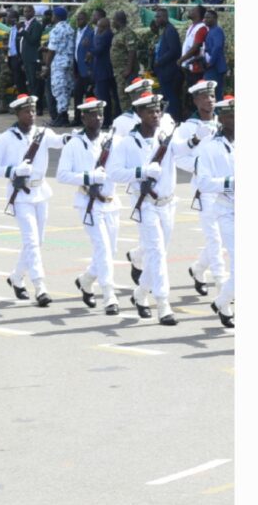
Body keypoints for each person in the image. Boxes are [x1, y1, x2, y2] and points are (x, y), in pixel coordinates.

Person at [0, 94, 62, 306]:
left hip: (41, 192)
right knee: (31, 241)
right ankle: (40, 286)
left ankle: (16, 278)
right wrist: (13, 170)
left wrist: (73, 138)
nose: (32, 114)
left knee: (38, 241)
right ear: (17, 113)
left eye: (34, 110)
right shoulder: (6, 138)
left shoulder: (42, 133)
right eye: (27, 111)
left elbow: (58, 142)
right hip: (21, 196)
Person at [108, 92, 179, 324]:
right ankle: (163, 303)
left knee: (158, 254)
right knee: (157, 252)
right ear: (139, 113)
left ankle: (140, 294)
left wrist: (197, 141)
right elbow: (114, 173)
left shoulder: (166, 137)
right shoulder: (127, 142)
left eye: (158, 110)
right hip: (146, 204)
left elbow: (186, 151)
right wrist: (141, 173)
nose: (156, 114)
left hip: (168, 203)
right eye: (150, 111)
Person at [56, 98, 120, 314]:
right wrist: (88, 177)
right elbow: (62, 175)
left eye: (101, 114)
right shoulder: (75, 144)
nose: (98, 118)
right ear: (83, 117)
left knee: (111, 251)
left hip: (111, 201)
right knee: (102, 248)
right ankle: (109, 295)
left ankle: (85, 280)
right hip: (88, 203)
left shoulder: (112, 141)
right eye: (93, 114)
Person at [172, 80, 224, 298]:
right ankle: (223, 285)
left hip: (227, 189)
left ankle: (199, 269)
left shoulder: (223, 122)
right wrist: (199, 167)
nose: (209, 101)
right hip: (206, 190)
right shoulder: (187, 127)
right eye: (204, 97)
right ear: (195, 100)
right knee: (215, 238)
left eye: (211, 96)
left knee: (222, 237)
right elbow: (177, 157)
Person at [195, 97, 235, 327]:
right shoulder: (210, 147)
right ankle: (224, 303)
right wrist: (230, 182)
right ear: (222, 118)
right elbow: (204, 183)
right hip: (227, 210)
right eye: (232, 115)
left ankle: (221, 301)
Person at [151, 8, 183, 121]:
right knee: (167, 96)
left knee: (170, 97)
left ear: (165, 17)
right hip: (164, 70)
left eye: (158, 17)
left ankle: (174, 120)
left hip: (169, 70)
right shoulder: (165, 30)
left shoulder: (170, 30)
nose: (156, 19)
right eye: (156, 17)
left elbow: (174, 51)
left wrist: (159, 61)